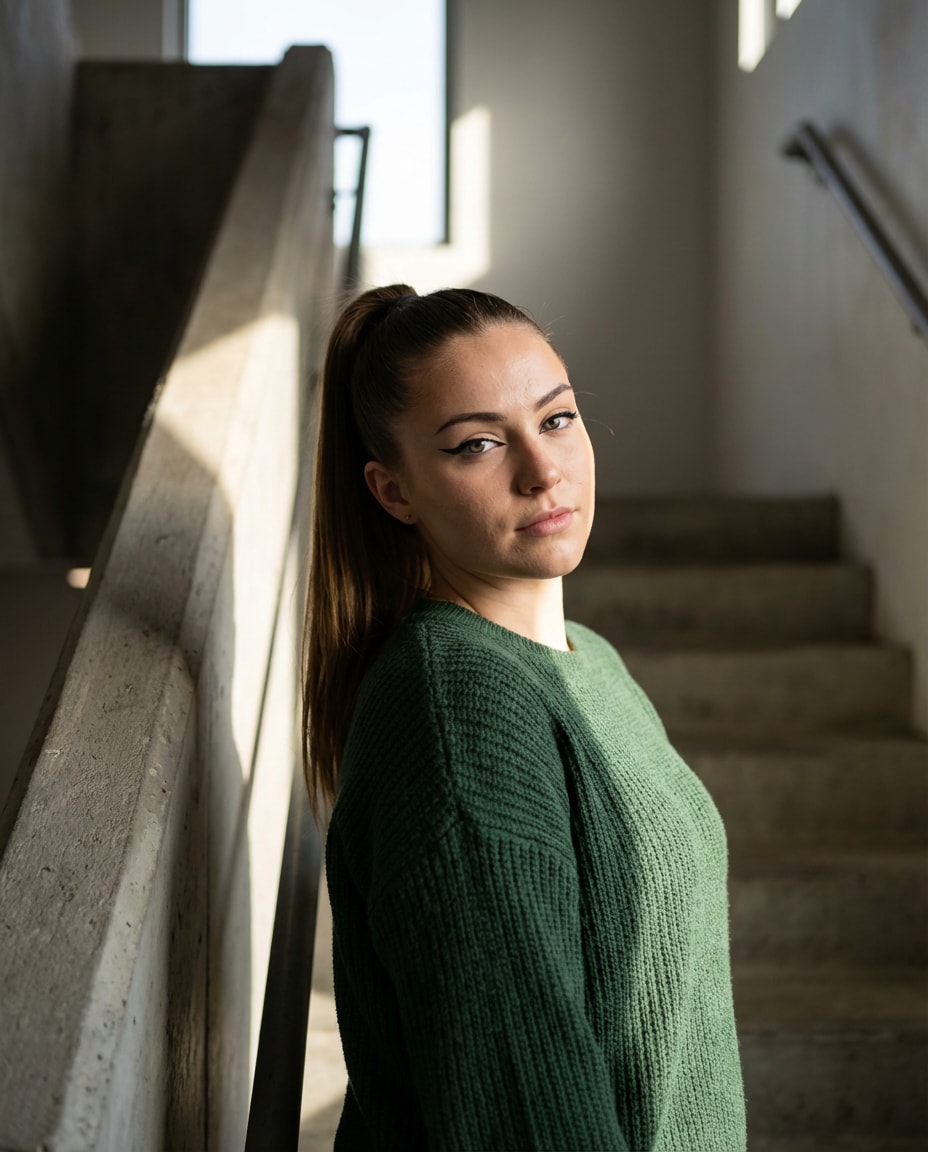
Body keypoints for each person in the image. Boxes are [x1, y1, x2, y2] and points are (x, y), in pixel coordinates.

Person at [302, 284, 746, 1151]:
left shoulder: (591, 659)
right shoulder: (458, 710)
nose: (543, 472)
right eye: (476, 444)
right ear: (394, 492)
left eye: (557, 419)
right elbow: (521, 1110)